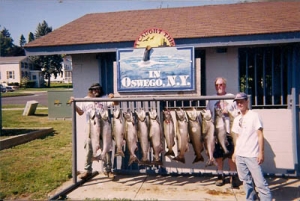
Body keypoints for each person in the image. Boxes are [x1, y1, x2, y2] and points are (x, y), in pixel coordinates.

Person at [70, 83, 117, 180]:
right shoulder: (85, 99)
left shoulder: (104, 98)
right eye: (94, 89)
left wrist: (113, 97)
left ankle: (108, 170)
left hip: (104, 126)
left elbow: (115, 103)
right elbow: (80, 112)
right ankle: (88, 170)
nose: (96, 91)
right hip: (91, 127)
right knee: (89, 148)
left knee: (106, 148)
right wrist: (73, 104)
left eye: (98, 89)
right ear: (90, 90)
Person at [232, 92, 272, 200]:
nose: (240, 104)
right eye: (237, 102)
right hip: (240, 155)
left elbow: (260, 135)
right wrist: (235, 153)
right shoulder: (236, 119)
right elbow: (237, 138)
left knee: (260, 183)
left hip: (252, 155)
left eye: (242, 101)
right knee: (246, 182)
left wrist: (261, 153)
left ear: (247, 101)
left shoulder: (254, 116)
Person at [206, 77, 240, 187]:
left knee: (231, 155)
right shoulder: (211, 99)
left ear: (224, 85)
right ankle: (220, 176)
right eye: (216, 85)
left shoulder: (231, 97)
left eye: (220, 84)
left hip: (229, 131)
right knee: (218, 156)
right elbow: (208, 114)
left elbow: (237, 112)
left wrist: (228, 112)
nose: (219, 87)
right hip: (216, 131)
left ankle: (233, 176)